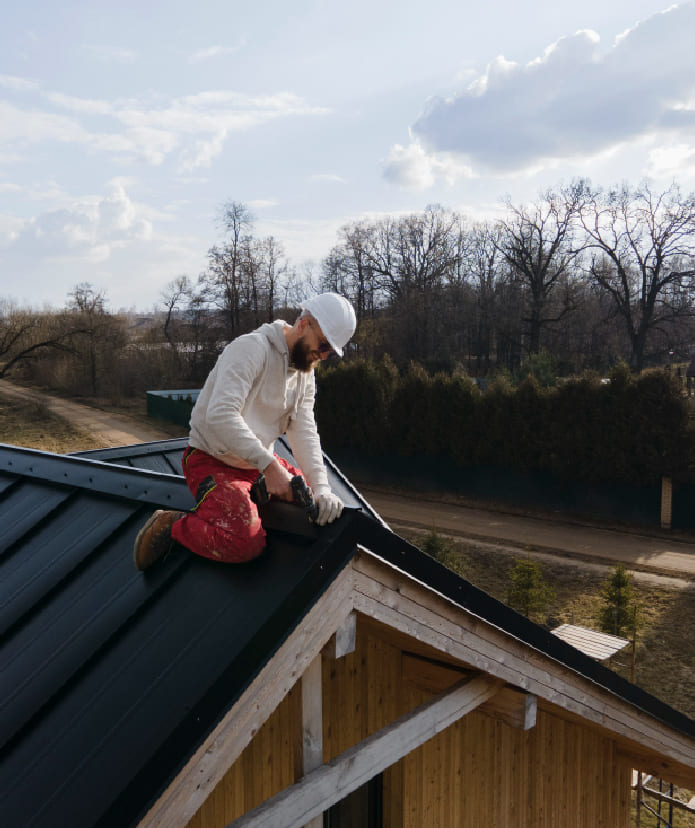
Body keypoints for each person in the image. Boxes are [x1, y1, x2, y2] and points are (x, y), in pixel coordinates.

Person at [133, 292, 356, 571]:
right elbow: (220, 415)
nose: (322, 356)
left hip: (257, 466)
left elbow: (305, 432)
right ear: (304, 324)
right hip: (212, 460)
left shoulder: (304, 374)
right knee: (243, 543)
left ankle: (256, 491)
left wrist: (322, 488)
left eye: (330, 353)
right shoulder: (252, 349)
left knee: (312, 506)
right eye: (323, 345)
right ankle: (172, 526)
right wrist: (270, 467)